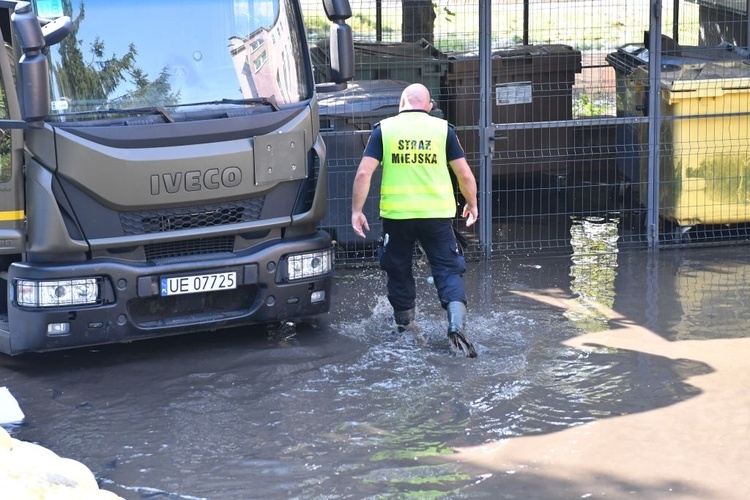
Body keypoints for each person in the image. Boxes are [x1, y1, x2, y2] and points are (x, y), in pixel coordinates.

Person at [351, 83, 479, 358]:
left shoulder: (384, 130)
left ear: (401, 103)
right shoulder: (443, 129)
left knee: (398, 269)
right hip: (437, 216)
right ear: (429, 106)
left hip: (398, 218)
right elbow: (465, 175)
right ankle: (456, 327)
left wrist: (356, 211)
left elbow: (364, 174)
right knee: (447, 269)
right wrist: (472, 203)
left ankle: (406, 330)